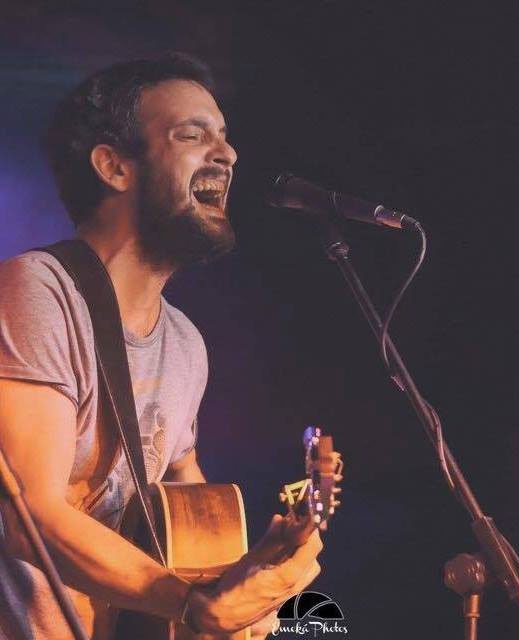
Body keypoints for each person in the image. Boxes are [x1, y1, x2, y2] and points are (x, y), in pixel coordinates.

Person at [0, 52, 322, 640]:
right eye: (192, 135)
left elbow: (192, 515)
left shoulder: (185, 343)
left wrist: (250, 578)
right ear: (114, 167)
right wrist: (191, 604)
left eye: (224, 137)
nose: (227, 154)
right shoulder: (37, 291)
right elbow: (28, 516)